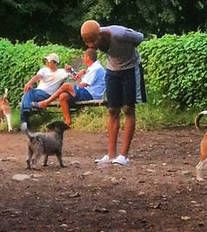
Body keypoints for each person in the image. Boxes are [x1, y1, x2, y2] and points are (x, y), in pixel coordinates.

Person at [80, 19, 145, 166]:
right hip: (112, 71)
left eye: (93, 42)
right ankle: (110, 154)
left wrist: (128, 50)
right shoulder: (92, 36)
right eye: (87, 42)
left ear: (100, 34)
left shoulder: (119, 33)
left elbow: (140, 37)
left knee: (128, 108)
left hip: (130, 68)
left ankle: (124, 155)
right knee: (112, 110)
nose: (91, 46)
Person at [36, 49, 106, 127]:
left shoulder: (95, 68)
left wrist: (72, 87)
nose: (83, 58)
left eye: (84, 57)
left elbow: (82, 85)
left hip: (91, 94)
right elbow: (80, 81)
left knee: (66, 86)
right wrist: (73, 71)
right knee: (63, 96)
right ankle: (67, 122)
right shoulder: (93, 67)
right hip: (86, 92)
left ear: (88, 58)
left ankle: (46, 102)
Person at [19, 53, 70, 127]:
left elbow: (72, 76)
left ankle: (24, 121)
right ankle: (27, 111)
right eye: (46, 61)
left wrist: (70, 70)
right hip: (37, 93)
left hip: (48, 95)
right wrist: (29, 83)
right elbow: (38, 77)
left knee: (25, 96)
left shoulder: (61, 72)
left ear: (54, 62)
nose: (46, 62)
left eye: (48, 61)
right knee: (27, 93)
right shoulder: (44, 70)